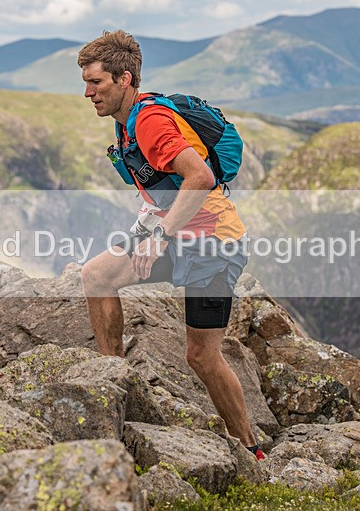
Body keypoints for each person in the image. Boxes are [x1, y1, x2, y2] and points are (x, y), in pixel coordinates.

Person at [77, 30, 265, 461]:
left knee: (201, 356)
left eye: (96, 82)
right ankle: (115, 384)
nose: (88, 93)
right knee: (97, 275)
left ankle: (250, 449)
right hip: (176, 233)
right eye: (86, 83)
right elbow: (161, 191)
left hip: (214, 243)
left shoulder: (150, 121)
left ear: (124, 79)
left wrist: (158, 237)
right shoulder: (126, 124)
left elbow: (200, 177)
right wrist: (146, 235)